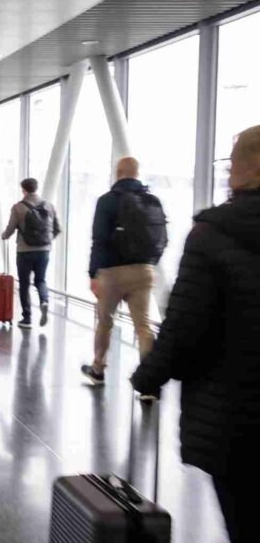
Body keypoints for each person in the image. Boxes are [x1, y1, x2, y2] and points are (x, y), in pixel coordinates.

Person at [131, 125, 260, 543]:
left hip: (237, 419)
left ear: (249, 168)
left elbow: (185, 329)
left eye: (232, 160)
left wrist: (148, 375)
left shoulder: (213, 236)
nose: (227, 170)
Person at [81, 157, 167, 388]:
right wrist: (149, 263)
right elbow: (162, 239)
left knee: (105, 322)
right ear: (137, 174)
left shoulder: (107, 201)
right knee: (143, 326)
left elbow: (98, 239)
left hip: (112, 272)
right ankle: (149, 384)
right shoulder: (152, 201)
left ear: (118, 173)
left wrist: (93, 274)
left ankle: (98, 369)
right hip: (144, 271)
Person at [1, 178, 62, 329]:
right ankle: (44, 301)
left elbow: (10, 228)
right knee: (40, 280)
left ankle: (27, 318)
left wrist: (4, 235)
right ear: (36, 188)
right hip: (44, 251)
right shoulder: (49, 205)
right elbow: (58, 229)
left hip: (24, 251)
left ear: (24, 190)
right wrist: (46, 241)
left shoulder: (18, 207)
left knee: (24, 284)